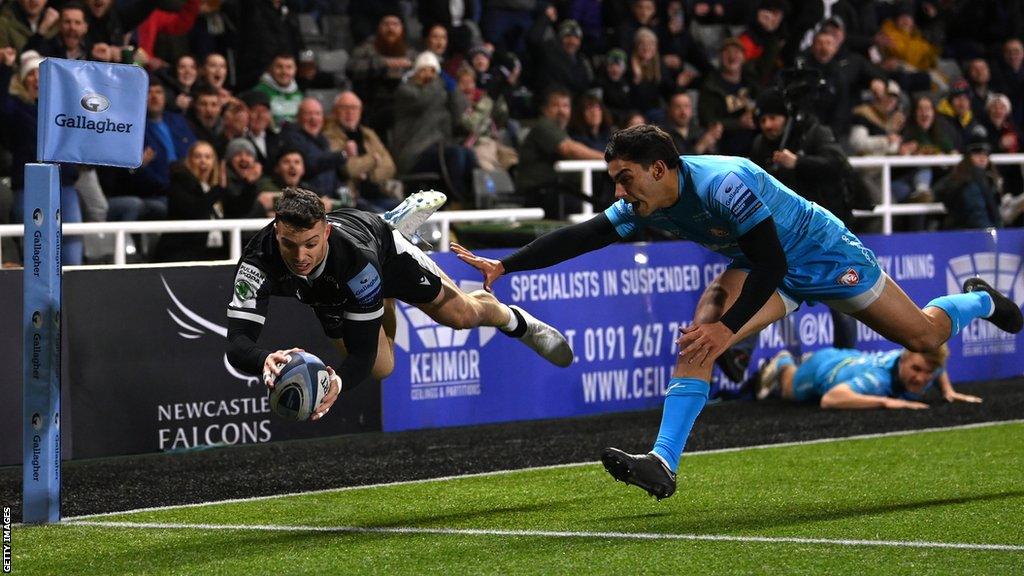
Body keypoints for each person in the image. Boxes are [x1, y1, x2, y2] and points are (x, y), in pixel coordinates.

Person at [451, 124, 1024, 500]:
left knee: (923, 337)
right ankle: (663, 462)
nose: (620, 193)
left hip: (823, 255)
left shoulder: (724, 184)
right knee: (702, 330)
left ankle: (979, 297)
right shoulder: (646, 200)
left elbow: (772, 263)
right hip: (764, 265)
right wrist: (509, 267)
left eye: (625, 178)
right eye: (615, 181)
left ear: (659, 167)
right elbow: (586, 235)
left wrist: (730, 331)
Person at [225, 187, 574, 421]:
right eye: (289, 245)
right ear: (275, 233)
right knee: (383, 368)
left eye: (310, 244)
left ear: (326, 233)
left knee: (462, 315)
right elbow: (238, 343)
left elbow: (358, 354)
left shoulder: (356, 260)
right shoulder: (257, 262)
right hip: (329, 291)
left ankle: (512, 319)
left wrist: (338, 383)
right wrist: (263, 361)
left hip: (384, 255)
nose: (300, 256)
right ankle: (380, 291)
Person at [755, 345, 981, 410]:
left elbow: (938, 368)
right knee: (788, 392)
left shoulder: (924, 362)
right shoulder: (878, 381)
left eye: (927, 373)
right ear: (902, 360)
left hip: (852, 359)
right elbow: (831, 399)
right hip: (824, 369)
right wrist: (886, 401)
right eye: (916, 370)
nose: (922, 379)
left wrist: (947, 391)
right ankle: (784, 362)